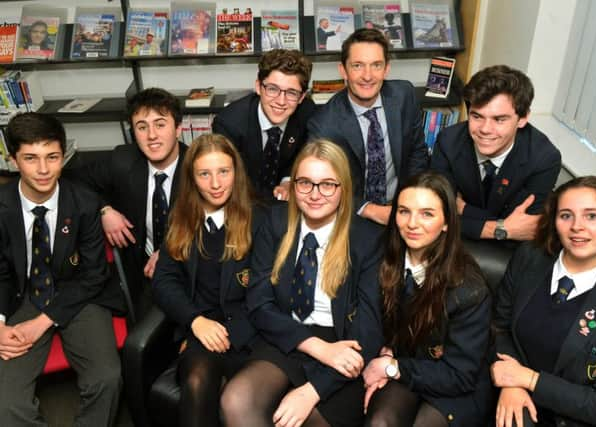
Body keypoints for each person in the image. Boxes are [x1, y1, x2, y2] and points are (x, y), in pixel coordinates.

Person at [221, 140, 384, 427]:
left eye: (327, 185)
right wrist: (317, 348)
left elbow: (368, 331)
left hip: (343, 345)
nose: (315, 194)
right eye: (305, 183)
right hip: (287, 334)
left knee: (307, 418)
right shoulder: (275, 222)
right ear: (293, 185)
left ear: (343, 188)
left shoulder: (367, 240)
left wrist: (312, 391)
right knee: (236, 400)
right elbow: (259, 304)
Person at [0, 113, 124, 427]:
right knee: (7, 403)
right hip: (22, 294)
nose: (43, 170)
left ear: (63, 156)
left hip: (80, 292)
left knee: (106, 379)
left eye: (52, 157)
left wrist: (43, 321)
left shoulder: (84, 202)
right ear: (13, 159)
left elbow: (94, 274)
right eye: (31, 158)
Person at [492, 176, 596, 427]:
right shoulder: (529, 258)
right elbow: (499, 326)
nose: (577, 227)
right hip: (516, 402)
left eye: (591, 216)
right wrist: (512, 383)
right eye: (566, 216)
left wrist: (528, 380)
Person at [362, 172, 492, 426]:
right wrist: (384, 351)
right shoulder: (381, 258)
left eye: (427, 214)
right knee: (380, 422)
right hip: (406, 366)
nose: (412, 223)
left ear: (446, 222)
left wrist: (391, 367)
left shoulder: (469, 288)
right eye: (403, 211)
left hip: (455, 383)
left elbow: (460, 375)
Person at [152, 134, 262, 427]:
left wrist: (230, 334)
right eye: (204, 174)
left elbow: (268, 292)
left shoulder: (260, 219)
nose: (215, 184)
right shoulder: (182, 217)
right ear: (192, 178)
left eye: (223, 172)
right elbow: (164, 280)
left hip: (252, 333)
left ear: (235, 173)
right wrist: (194, 321)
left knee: (236, 398)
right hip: (203, 329)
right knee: (198, 380)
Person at [64, 88, 188, 319]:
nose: (152, 135)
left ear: (178, 129)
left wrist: (172, 251)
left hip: (190, 269)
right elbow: (71, 180)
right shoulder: (123, 159)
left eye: (160, 124)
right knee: (142, 342)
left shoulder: (197, 167)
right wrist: (104, 209)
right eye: (142, 127)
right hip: (141, 273)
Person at [308, 28, 428, 226]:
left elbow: (416, 152)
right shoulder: (323, 124)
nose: (368, 76)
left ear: (386, 69)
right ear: (343, 70)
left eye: (376, 65)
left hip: (402, 206)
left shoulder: (404, 95)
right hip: (351, 213)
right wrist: (370, 210)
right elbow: (323, 186)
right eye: (357, 66)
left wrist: (411, 200)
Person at [430, 65, 561, 242]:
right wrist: (501, 228)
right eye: (477, 117)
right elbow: (434, 212)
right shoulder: (448, 141)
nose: (485, 129)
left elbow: (527, 226)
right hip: (454, 238)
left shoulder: (544, 158)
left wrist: (463, 209)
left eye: (499, 119)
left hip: (510, 249)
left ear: (522, 118)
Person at [212, 49, 315, 201]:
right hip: (242, 202)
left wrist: (288, 181)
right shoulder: (229, 124)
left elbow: (302, 156)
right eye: (272, 89)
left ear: (302, 97)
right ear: (258, 87)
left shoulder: (307, 114)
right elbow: (227, 179)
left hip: (288, 204)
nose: (281, 101)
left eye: (292, 93)